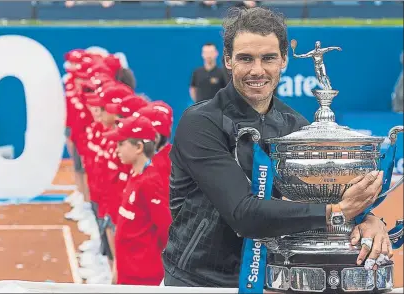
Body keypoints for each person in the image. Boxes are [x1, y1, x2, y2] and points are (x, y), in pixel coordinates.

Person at [163, 7, 393, 287]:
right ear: (228, 60)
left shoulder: (295, 125)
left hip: (273, 279)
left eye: (268, 58)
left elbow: (323, 195)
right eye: (245, 58)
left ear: (283, 59)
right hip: (199, 283)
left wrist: (366, 218)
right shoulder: (200, 123)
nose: (257, 70)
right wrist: (339, 212)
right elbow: (243, 214)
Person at [104, 115, 172, 286]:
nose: (116, 149)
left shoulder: (150, 182)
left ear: (139, 147)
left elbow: (165, 229)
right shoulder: (135, 176)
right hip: (128, 272)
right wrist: (117, 270)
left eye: (121, 144)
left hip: (143, 277)